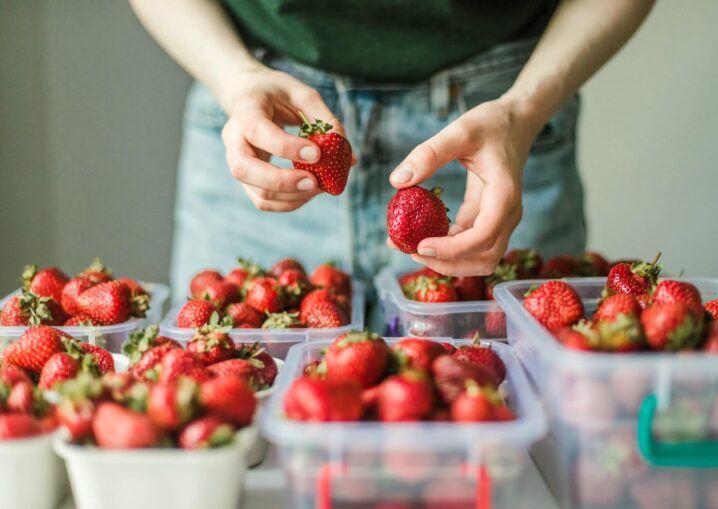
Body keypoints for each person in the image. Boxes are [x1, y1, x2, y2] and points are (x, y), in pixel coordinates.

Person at [129, 0, 655, 305]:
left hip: (500, 126)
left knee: (511, 441)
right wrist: (234, 77)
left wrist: (522, 109)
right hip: (267, 130)